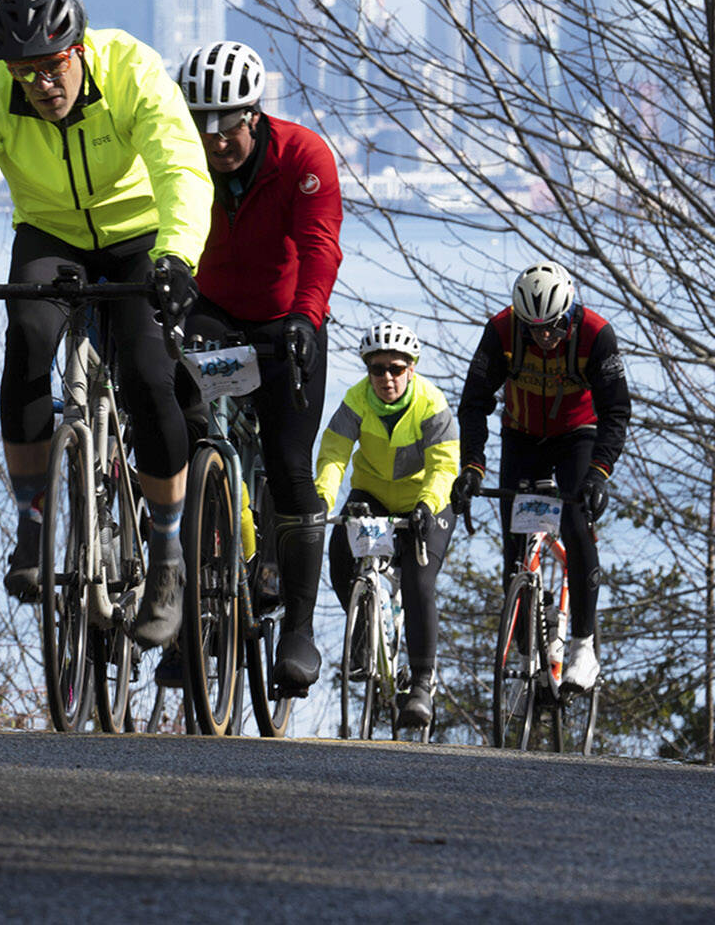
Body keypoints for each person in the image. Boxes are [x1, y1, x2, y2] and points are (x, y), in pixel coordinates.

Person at [0, 0, 213, 649]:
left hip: (139, 232)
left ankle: (169, 552)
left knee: (150, 375)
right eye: (25, 73)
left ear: (79, 51)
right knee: (27, 338)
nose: (41, 86)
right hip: (50, 232)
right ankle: (35, 521)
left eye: (52, 68)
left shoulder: (132, 69)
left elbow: (180, 167)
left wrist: (176, 257)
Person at [176, 40, 343, 694]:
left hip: (285, 322)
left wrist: (306, 317)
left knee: (290, 461)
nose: (214, 139)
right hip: (211, 310)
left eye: (227, 124)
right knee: (179, 418)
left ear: (254, 115)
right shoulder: (183, 153)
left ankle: (298, 629)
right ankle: (195, 588)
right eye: (202, 123)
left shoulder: (303, 157)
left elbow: (319, 246)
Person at [451, 260, 630, 692]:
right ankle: (526, 646)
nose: (543, 336)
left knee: (575, 522)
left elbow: (616, 411)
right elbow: (474, 403)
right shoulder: (502, 331)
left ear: (569, 314)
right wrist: (473, 465)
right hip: (522, 435)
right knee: (515, 546)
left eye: (552, 327)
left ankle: (583, 647)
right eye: (533, 329)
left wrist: (599, 473)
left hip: (577, 435)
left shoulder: (595, 334)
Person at [315, 323, 458, 727]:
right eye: (377, 369)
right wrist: (324, 496)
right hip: (373, 494)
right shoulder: (356, 399)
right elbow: (333, 454)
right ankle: (363, 635)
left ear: (411, 368)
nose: (386, 378)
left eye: (396, 368)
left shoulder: (431, 403)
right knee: (341, 554)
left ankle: (422, 684)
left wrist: (428, 504)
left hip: (425, 502)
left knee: (418, 583)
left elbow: (445, 466)